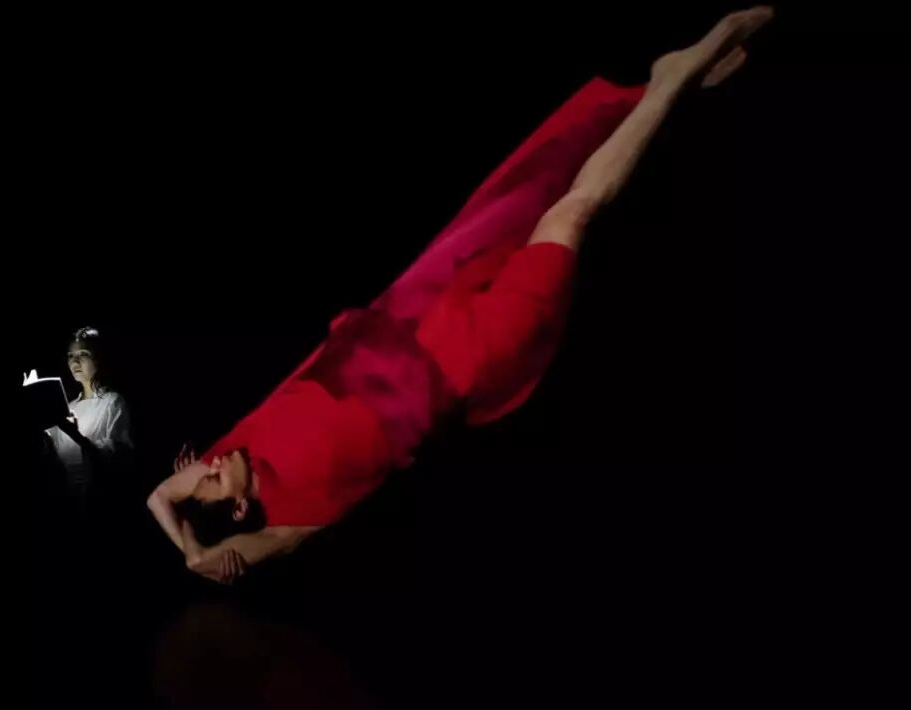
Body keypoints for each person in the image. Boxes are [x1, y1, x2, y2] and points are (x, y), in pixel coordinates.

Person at [148, 8, 775, 584]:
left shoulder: (246, 436)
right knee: (573, 214)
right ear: (236, 507)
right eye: (210, 480)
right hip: (470, 359)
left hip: (428, 304)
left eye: (203, 466)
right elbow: (250, 548)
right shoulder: (299, 513)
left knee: (536, 188)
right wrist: (197, 556)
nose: (210, 461)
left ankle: (668, 89)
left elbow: (158, 496)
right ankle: (671, 79)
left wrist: (182, 520)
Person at [49, 326, 135, 511]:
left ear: (98, 358)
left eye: (83, 354)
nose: (75, 361)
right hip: (63, 497)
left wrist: (75, 435)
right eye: (70, 356)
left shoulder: (112, 402)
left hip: (96, 498)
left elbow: (118, 457)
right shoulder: (68, 407)